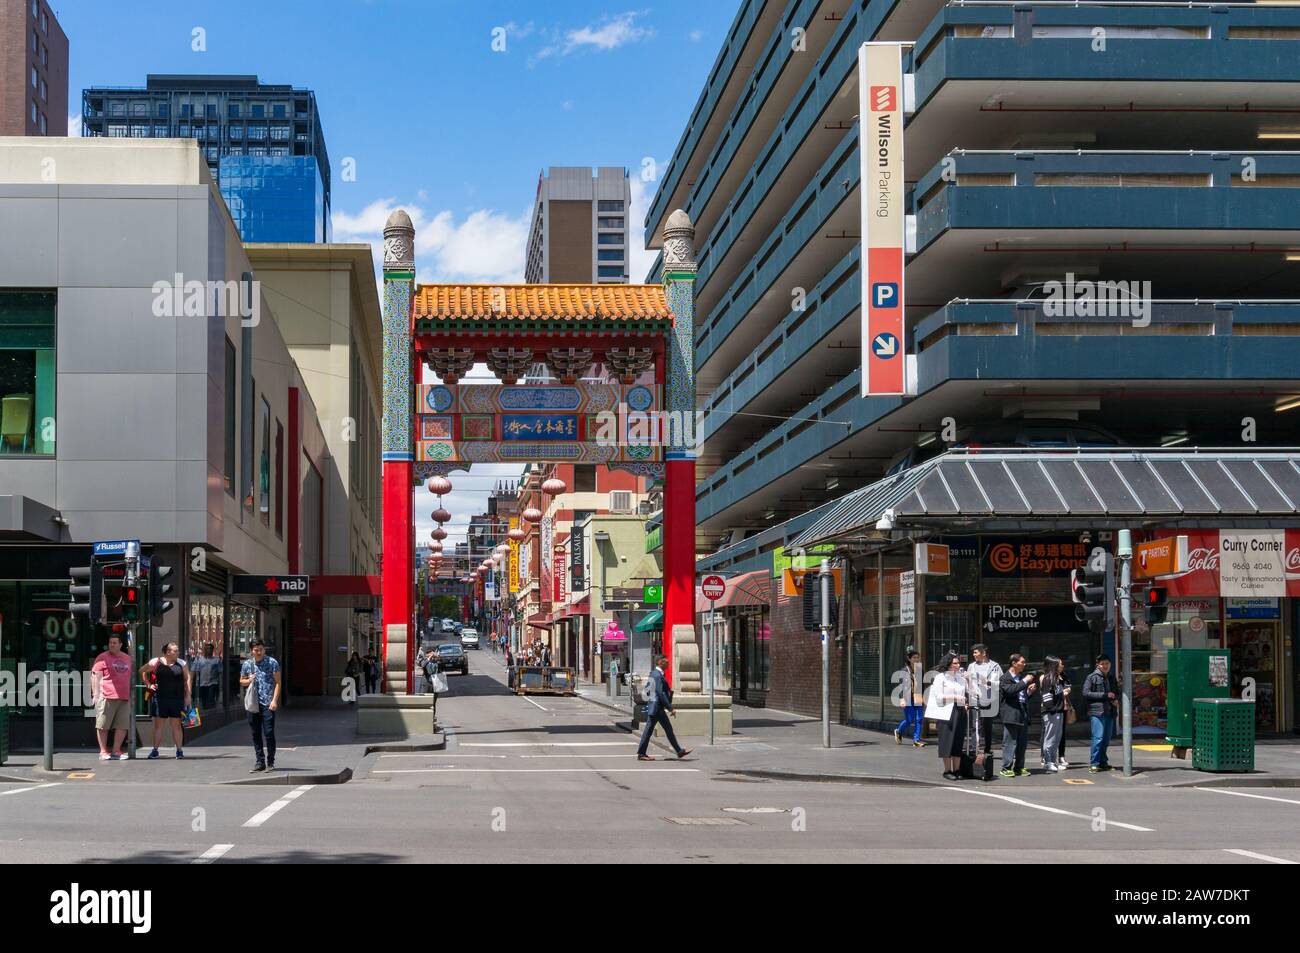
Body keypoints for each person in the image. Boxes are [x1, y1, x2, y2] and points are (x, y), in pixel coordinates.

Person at [140, 642, 190, 760]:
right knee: (159, 726)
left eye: (177, 650)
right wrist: (148, 684)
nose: (178, 652)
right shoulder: (155, 662)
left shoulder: (181, 663)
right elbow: (142, 670)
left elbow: (187, 678)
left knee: (176, 725)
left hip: (177, 699)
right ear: (168, 652)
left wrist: (188, 695)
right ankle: (155, 751)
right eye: (175, 650)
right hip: (160, 699)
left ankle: (179, 751)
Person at [636, 656, 692, 762]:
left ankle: (679, 751)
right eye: (666, 661)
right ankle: (641, 753)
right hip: (657, 708)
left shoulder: (653, 674)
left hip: (656, 707)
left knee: (667, 730)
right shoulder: (657, 676)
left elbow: (647, 689)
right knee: (649, 731)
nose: (668, 663)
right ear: (660, 662)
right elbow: (660, 693)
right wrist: (670, 708)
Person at [924, 652, 969, 781]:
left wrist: (965, 702)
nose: (957, 665)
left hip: (960, 710)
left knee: (958, 740)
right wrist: (954, 697)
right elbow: (938, 697)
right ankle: (947, 770)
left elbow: (968, 693)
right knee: (947, 740)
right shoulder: (940, 678)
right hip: (946, 711)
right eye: (955, 663)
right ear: (948, 664)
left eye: (958, 663)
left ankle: (957, 769)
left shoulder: (961, 678)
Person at [240, 639, 281, 772]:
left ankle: (270, 761)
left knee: (269, 732)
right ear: (251, 651)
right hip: (253, 703)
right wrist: (249, 680)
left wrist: (274, 700)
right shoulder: (247, 664)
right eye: (256, 650)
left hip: (268, 703)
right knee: (255, 733)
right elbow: (242, 681)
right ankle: (259, 761)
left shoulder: (272, 662)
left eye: (261, 649)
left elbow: (278, 682)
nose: (259, 652)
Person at [90, 633, 133, 760]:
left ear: (120, 644)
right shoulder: (102, 658)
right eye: (110, 642)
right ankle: (103, 752)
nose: (112, 645)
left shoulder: (127, 658)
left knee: (122, 725)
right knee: (103, 725)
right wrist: (96, 695)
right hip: (107, 696)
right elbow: (95, 676)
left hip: (124, 697)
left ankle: (116, 751)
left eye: (115, 643)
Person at [967, 643, 1003, 781]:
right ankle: (975, 749)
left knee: (987, 725)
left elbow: (999, 682)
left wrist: (987, 682)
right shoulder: (971, 666)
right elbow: (969, 682)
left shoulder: (994, 666)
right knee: (975, 725)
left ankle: (986, 750)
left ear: (983, 652)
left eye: (976, 652)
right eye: (974, 653)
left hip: (989, 699)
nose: (974, 655)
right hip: (975, 699)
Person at [998, 654, 1037, 778]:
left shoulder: (1019, 678)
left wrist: (1029, 692)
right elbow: (1010, 691)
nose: (1024, 664)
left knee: (1022, 742)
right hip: (1011, 713)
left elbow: (1021, 696)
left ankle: (1019, 767)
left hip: (1022, 712)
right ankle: (1006, 767)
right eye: (1022, 662)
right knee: (1010, 742)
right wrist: (1025, 681)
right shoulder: (1005, 678)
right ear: (1014, 663)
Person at [1083, 654, 1119, 772]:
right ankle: (1094, 763)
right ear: (1097, 665)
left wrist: (1115, 699)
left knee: (1106, 739)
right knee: (1098, 738)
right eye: (1102, 664)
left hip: (1110, 711)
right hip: (1097, 712)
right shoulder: (1092, 677)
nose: (1105, 666)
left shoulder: (1112, 677)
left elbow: (1117, 691)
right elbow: (1086, 693)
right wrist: (1104, 695)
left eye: (1107, 664)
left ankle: (1103, 762)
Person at [1038, 655, 1067, 772]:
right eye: (1059, 664)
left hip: (1058, 711)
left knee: (1056, 738)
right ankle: (1048, 761)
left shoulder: (1057, 678)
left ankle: (1053, 761)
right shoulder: (1048, 679)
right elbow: (1047, 697)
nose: (1061, 666)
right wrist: (1053, 710)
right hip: (1052, 712)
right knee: (1050, 738)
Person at [892, 648, 926, 748]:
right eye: (914, 657)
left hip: (918, 696)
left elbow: (921, 685)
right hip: (908, 698)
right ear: (909, 659)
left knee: (919, 719)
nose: (916, 659)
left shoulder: (919, 670)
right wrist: (902, 699)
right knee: (910, 719)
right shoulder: (904, 670)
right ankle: (899, 731)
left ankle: (916, 740)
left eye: (917, 657)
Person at [192, 642, 221, 711]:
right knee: (204, 701)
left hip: (213, 683)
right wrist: (192, 682)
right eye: (207, 649)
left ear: (212, 650)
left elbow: (220, 672)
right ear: (204, 650)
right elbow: (195, 671)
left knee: (210, 699)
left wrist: (220, 683)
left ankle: (211, 712)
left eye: (210, 649)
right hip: (202, 684)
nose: (208, 650)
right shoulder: (199, 659)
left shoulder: (216, 660)